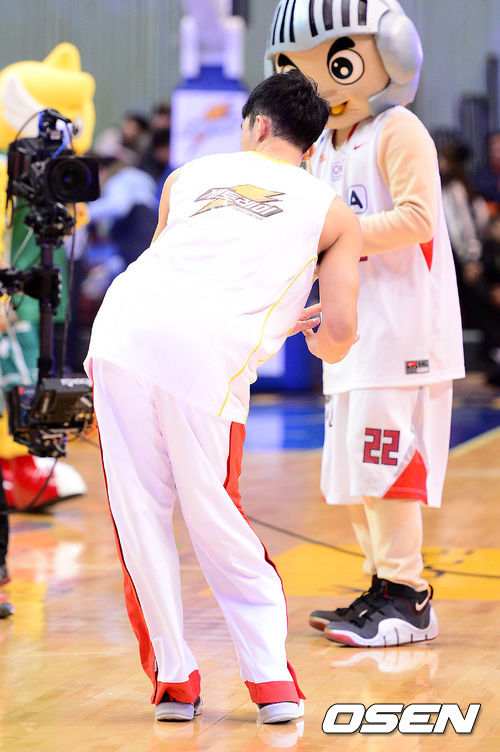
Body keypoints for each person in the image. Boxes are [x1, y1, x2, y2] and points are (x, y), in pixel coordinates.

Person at [85, 70, 361, 724]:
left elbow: (170, 267)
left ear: (257, 126)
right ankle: (271, 684)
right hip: (205, 360)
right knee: (217, 517)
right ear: (310, 147)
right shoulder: (332, 210)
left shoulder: (186, 176)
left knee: (139, 513)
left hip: (121, 332)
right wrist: (315, 339)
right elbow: (342, 331)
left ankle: (174, 684)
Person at [266, 0, 465, 647]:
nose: (320, 85)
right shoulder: (322, 146)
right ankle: (382, 586)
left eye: (335, 64)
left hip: (403, 332)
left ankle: (409, 595)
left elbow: (418, 219)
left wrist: (338, 236)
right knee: (353, 477)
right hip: (351, 334)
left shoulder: (398, 129)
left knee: (386, 465)